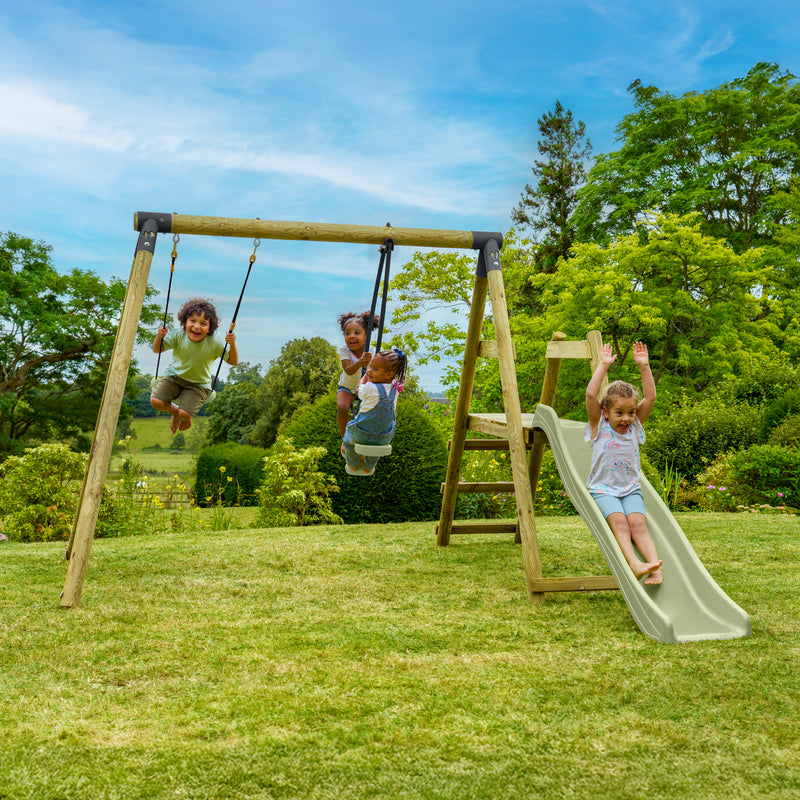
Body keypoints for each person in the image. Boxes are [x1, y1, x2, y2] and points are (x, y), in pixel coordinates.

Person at [585, 341, 663, 585]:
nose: (627, 418)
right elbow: (590, 394)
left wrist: (645, 367)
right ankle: (635, 563)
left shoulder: (635, 427)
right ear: (605, 411)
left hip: (630, 489)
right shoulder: (600, 425)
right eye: (620, 412)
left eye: (631, 412)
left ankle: (656, 569)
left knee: (639, 524)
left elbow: (650, 397)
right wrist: (604, 365)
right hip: (603, 489)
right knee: (620, 523)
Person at [150, 298, 238, 434]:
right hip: (174, 377)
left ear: (209, 329)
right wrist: (159, 337)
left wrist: (232, 344)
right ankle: (175, 413)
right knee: (155, 401)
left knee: (185, 414)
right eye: (192, 321)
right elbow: (157, 349)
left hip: (198, 384)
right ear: (185, 322)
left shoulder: (214, 343)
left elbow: (232, 361)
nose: (197, 326)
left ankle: (181, 414)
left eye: (203, 324)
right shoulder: (178, 335)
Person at [342, 348, 407, 476]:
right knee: (377, 448)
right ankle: (369, 466)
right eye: (370, 367)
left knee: (348, 439)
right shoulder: (395, 388)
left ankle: (353, 464)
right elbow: (392, 381)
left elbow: (357, 390)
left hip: (362, 433)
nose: (370, 371)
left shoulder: (369, 387)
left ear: (389, 374)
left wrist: (363, 379)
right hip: (384, 436)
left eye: (375, 369)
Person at [336, 311, 379, 440]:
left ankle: (364, 438)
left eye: (357, 332)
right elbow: (348, 370)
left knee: (366, 413)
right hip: (347, 387)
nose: (351, 336)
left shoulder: (372, 351)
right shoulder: (345, 350)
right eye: (347, 333)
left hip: (364, 388)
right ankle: (344, 438)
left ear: (366, 336)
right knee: (342, 407)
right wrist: (360, 363)